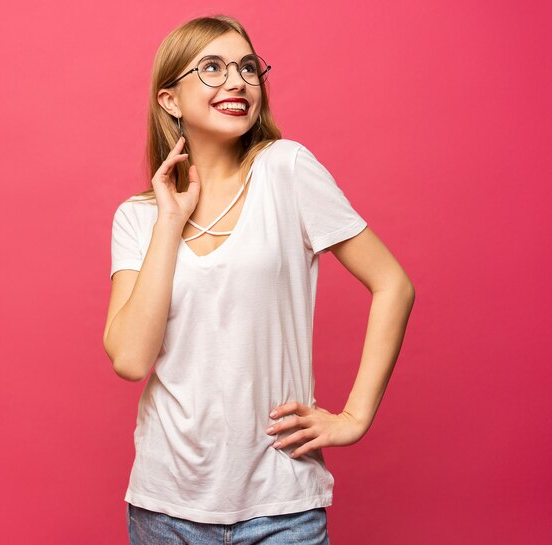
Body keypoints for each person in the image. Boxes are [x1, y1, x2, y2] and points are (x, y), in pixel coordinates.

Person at [103, 14, 415, 545]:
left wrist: (354, 416)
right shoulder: (138, 217)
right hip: (165, 508)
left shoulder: (286, 169)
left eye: (248, 67)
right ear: (169, 100)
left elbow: (394, 284)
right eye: (212, 68)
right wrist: (170, 220)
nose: (237, 81)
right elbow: (131, 359)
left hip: (282, 506)